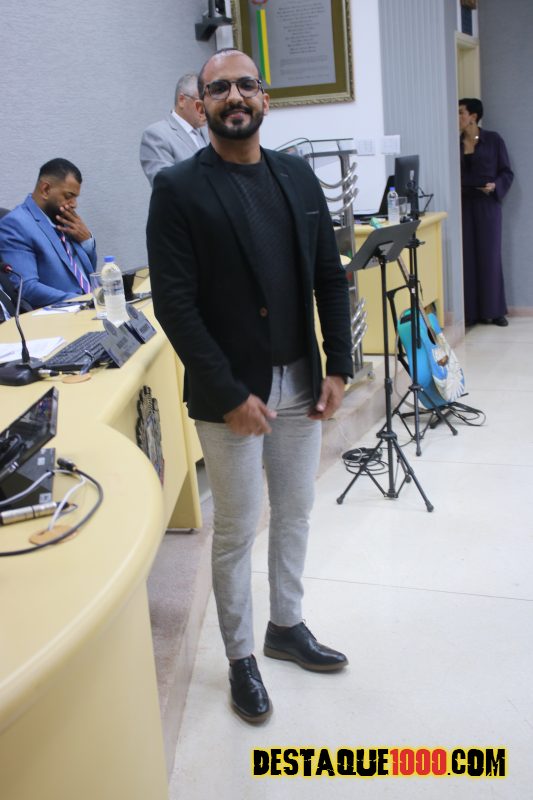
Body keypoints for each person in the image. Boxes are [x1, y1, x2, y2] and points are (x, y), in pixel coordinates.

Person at [147, 48, 353, 724]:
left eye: (245, 85)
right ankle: (240, 657)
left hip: (300, 378)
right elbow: (176, 305)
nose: (234, 97)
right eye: (219, 89)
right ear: (201, 104)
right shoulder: (178, 188)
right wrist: (230, 392)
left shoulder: (296, 175)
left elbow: (328, 275)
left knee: (295, 510)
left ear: (264, 98)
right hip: (230, 392)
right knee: (236, 528)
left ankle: (285, 625)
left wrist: (339, 365)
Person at [0, 159, 96, 309]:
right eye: (68, 196)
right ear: (45, 189)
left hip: (92, 306)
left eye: (75, 197)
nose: (74, 204)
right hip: (63, 314)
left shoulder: (63, 218)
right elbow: (27, 288)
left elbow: (87, 274)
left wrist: (87, 242)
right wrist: (82, 300)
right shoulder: (16, 224)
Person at [459, 97, 514, 327]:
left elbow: (506, 172)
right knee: (467, 257)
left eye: (461, 112)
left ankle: (495, 311)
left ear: (473, 116)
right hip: (464, 204)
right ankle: (470, 313)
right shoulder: (455, 142)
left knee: (489, 257)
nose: (458, 117)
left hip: (487, 204)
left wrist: (495, 186)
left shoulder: (493, 140)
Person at [140, 73, 209, 186]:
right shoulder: (156, 135)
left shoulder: (210, 133)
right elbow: (165, 184)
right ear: (182, 100)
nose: (207, 110)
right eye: (201, 104)